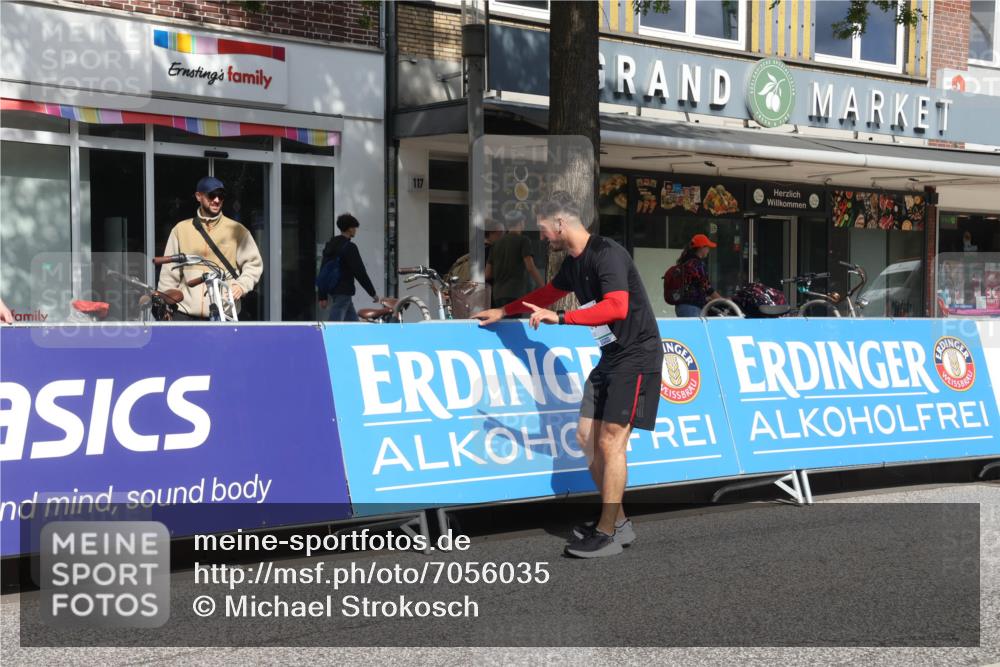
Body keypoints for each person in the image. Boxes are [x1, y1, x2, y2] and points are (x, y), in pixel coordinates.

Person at [474, 192, 663, 559]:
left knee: (611, 444)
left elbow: (617, 307)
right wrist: (504, 310)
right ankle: (619, 523)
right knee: (584, 436)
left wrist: (560, 318)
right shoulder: (574, 264)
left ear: (560, 222)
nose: (542, 237)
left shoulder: (607, 253)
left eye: (544, 229)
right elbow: (548, 292)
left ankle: (606, 532)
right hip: (611, 355)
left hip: (637, 355)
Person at [157, 176, 263, 320]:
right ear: (198, 196)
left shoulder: (238, 231)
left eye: (221, 196)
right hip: (184, 313)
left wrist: (242, 286)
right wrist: (165, 305)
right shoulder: (181, 229)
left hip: (224, 313)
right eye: (212, 195)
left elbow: (253, 265)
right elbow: (169, 273)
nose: (217, 200)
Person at [319, 213, 379, 321]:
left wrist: (322, 296)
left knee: (353, 324)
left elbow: (323, 270)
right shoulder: (350, 247)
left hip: (334, 290)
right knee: (334, 325)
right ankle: (329, 338)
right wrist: (372, 293)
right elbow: (360, 272)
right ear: (350, 229)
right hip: (344, 291)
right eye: (354, 227)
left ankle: (356, 338)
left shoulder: (331, 245)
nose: (355, 230)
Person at [487, 209, 544, 308]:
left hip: (497, 295)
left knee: (503, 323)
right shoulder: (523, 240)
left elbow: (488, 274)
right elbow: (530, 267)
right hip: (515, 293)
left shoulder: (496, 244)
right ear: (521, 223)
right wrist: (543, 286)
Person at [672, 233, 721, 317]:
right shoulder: (697, 264)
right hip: (691, 307)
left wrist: (703, 298)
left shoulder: (685, 262)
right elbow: (707, 287)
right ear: (701, 247)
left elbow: (691, 286)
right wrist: (722, 300)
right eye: (707, 247)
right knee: (694, 330)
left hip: (681, 306)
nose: (708, 250)